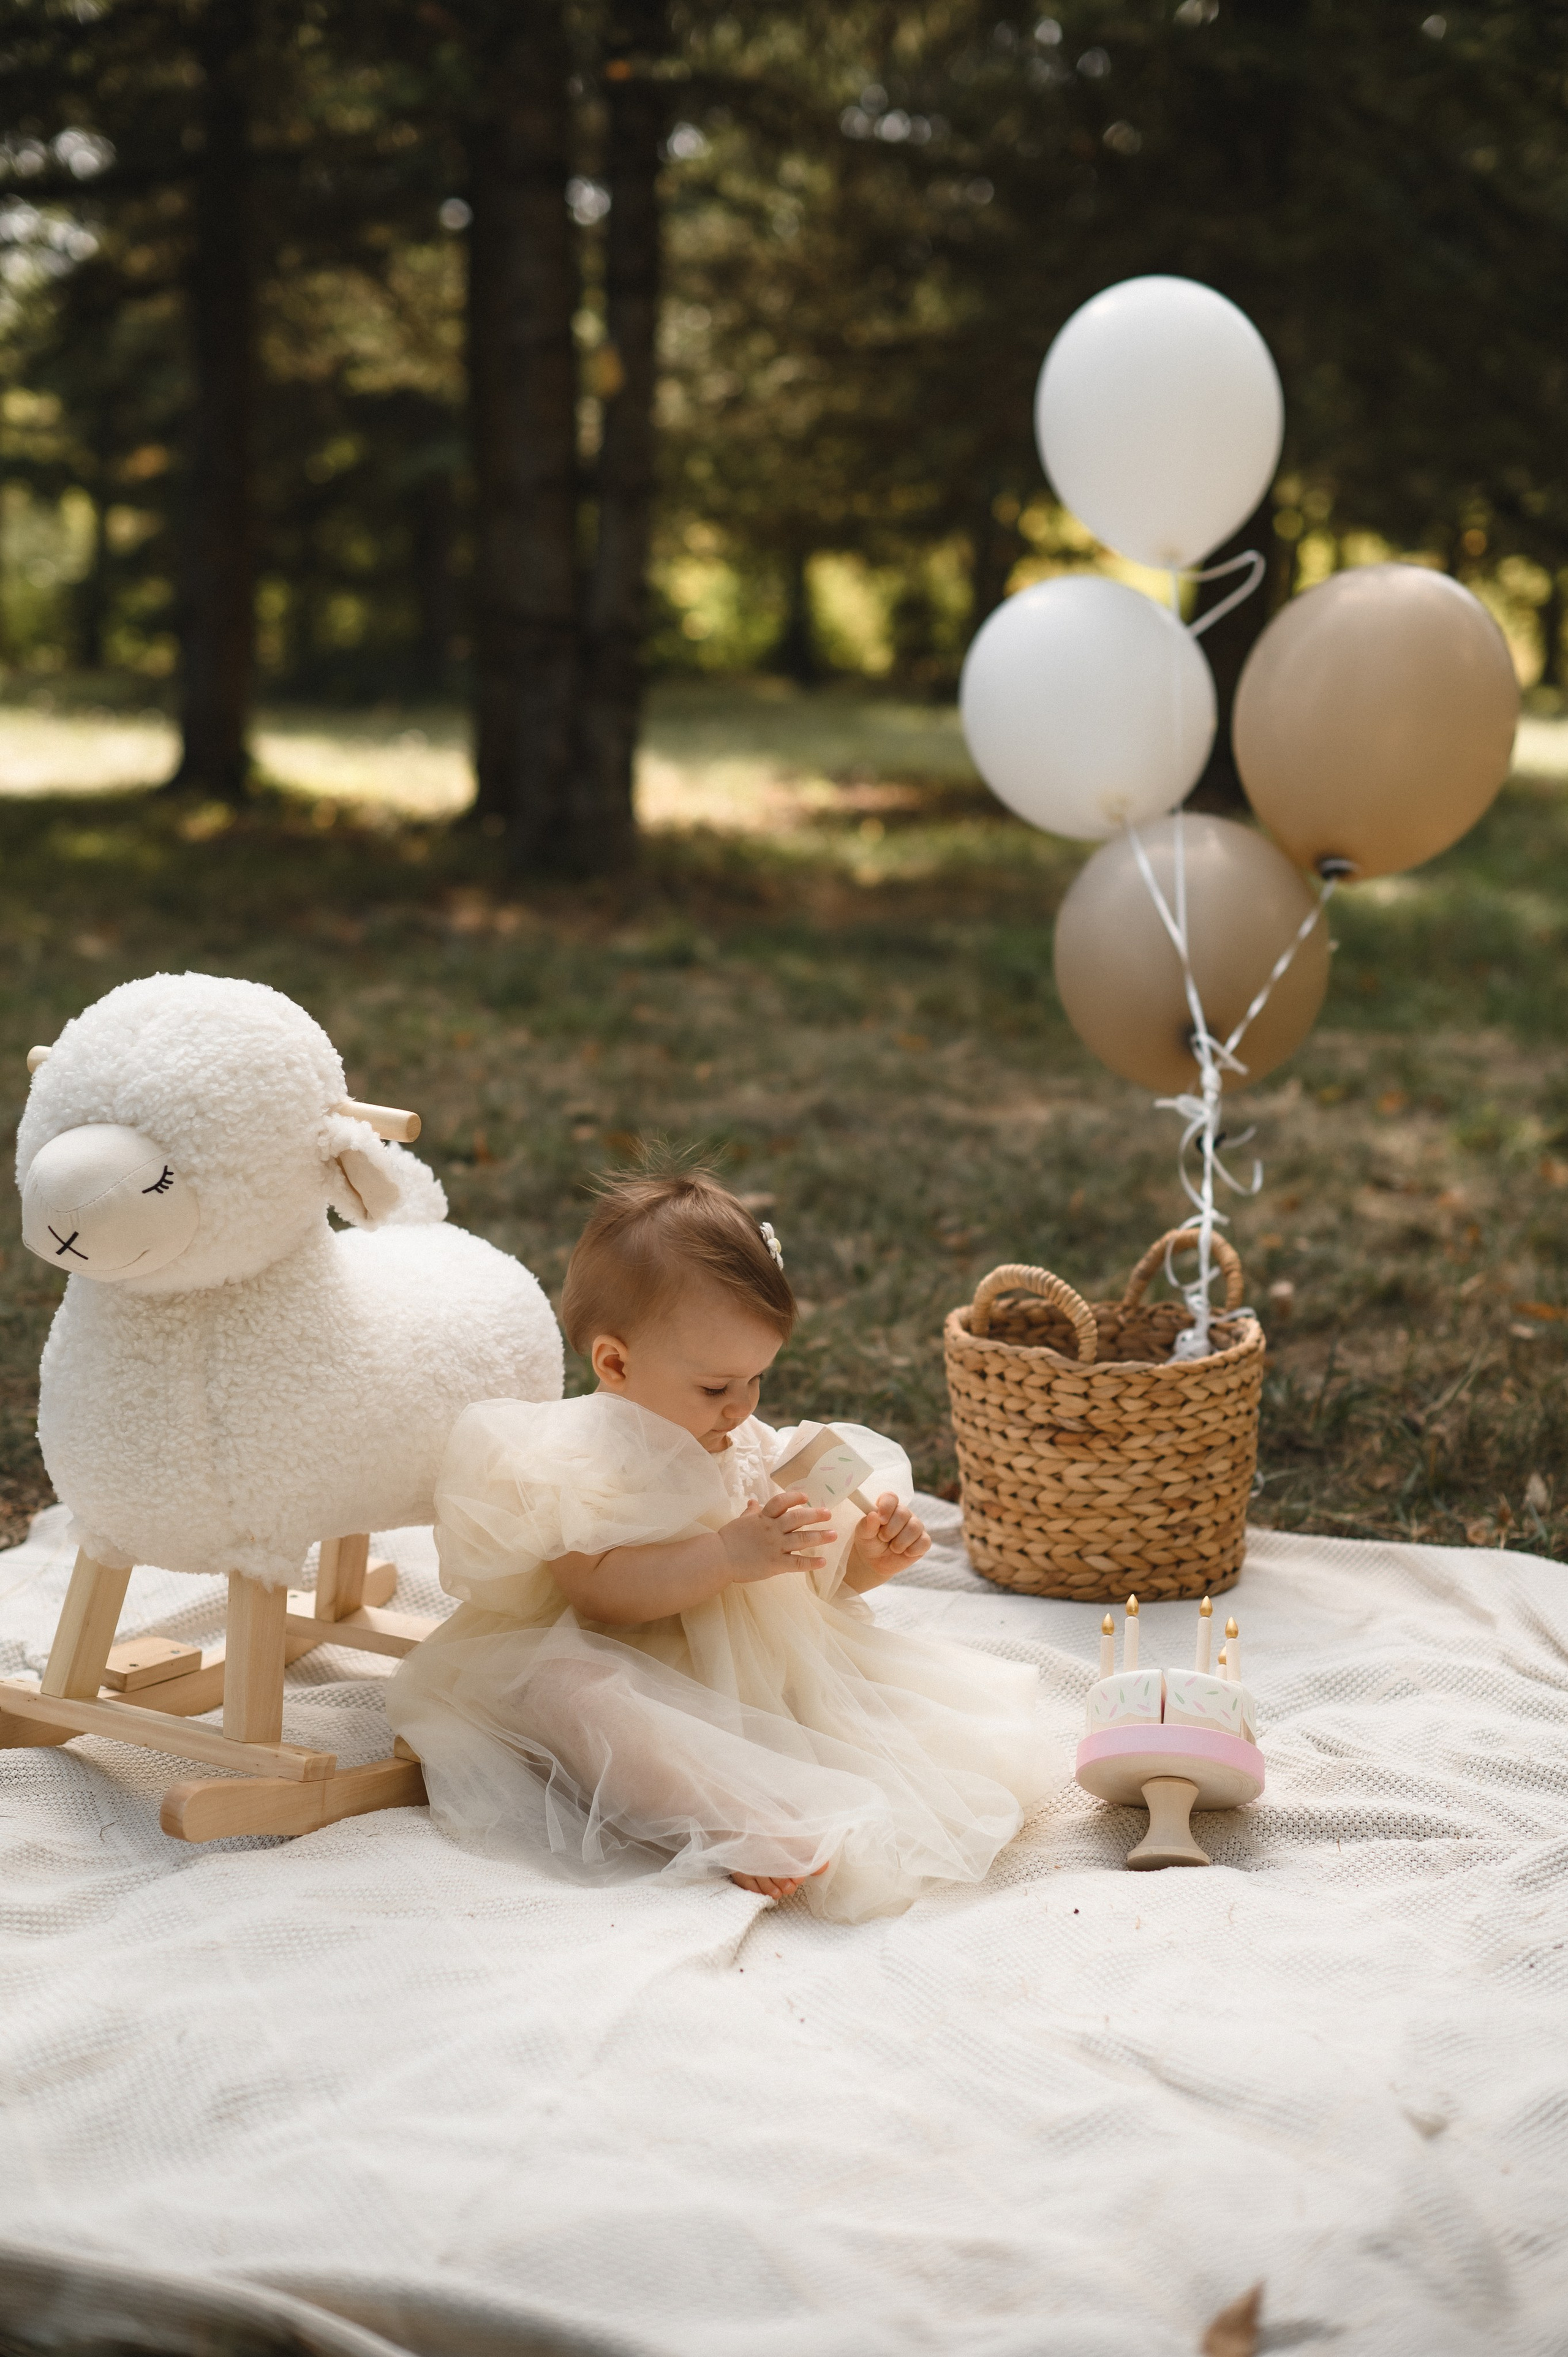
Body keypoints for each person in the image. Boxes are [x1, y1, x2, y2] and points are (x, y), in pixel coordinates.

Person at [386, 1167, 1046, 1921]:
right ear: (614, 1362)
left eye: (757, 1380)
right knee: (564, 1691)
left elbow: (806, 1588)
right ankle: (734, 1814)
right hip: (616, 1649)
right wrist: (728, 1556)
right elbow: (597, 1590)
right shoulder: (574, 1459)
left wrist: (863, 1559)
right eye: (715, 1387)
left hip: (745, 1668)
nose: (740, 1407)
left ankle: (768, 1775)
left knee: (851, 1706)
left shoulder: (753, 1447)